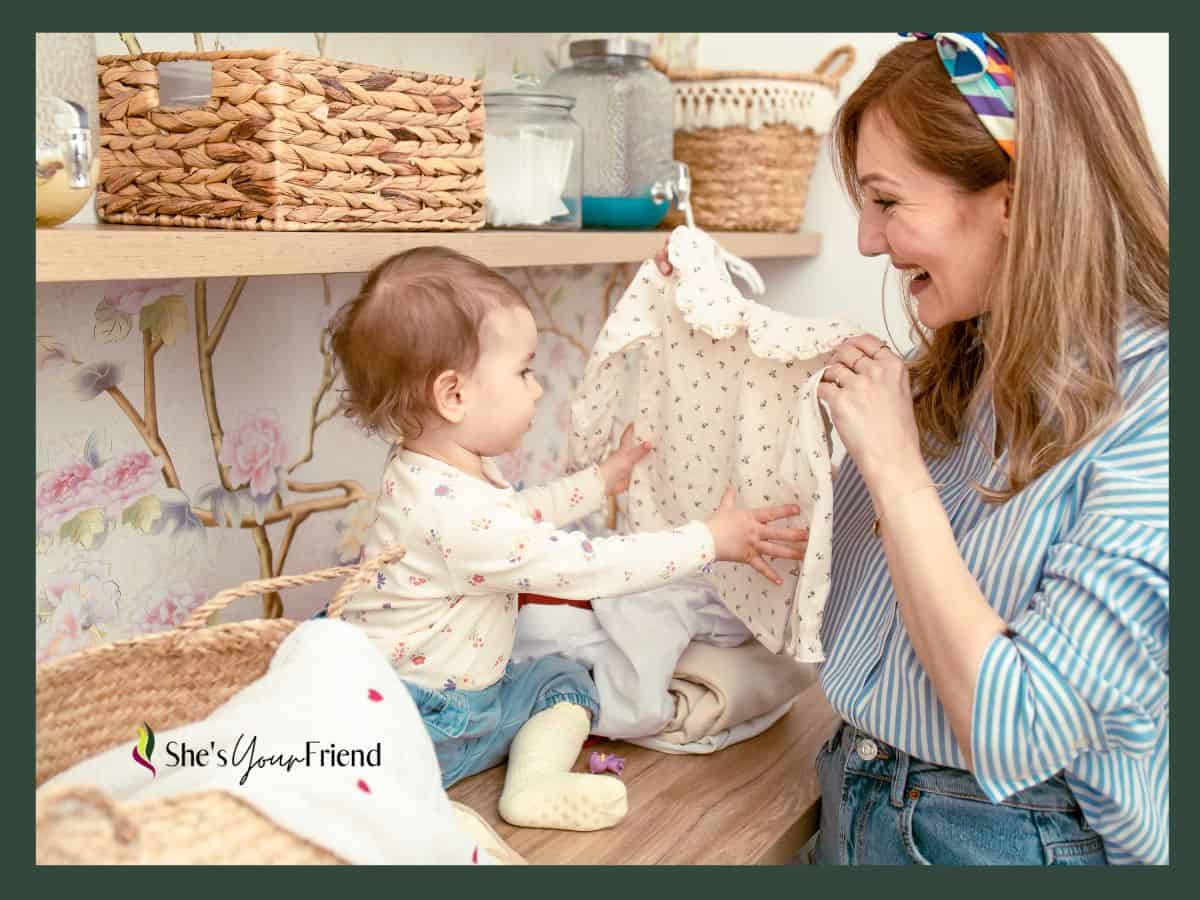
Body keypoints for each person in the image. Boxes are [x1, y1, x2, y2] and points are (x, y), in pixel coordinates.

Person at [657, 32, 1168, 865]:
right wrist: (714, 346)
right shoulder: (966, 365)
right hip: (858, 792)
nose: (865, 240)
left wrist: (895, 470)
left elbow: (1018, 726)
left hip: (1010, 841)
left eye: (887, 202)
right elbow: (820, 593)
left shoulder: (1157, 410)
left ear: (1015, 197)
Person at [326, 246, 808, 832]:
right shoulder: (451, 518)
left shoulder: (431, 477)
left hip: (423, 699)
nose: (536, 388)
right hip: (437, 723)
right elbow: (588, 565)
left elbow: (519, 515)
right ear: (454, 395)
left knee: (556, 677)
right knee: (565, 688)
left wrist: (600, 481)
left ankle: (529, 784)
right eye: (523, 371)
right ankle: (527, 782)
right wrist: (707, 540)